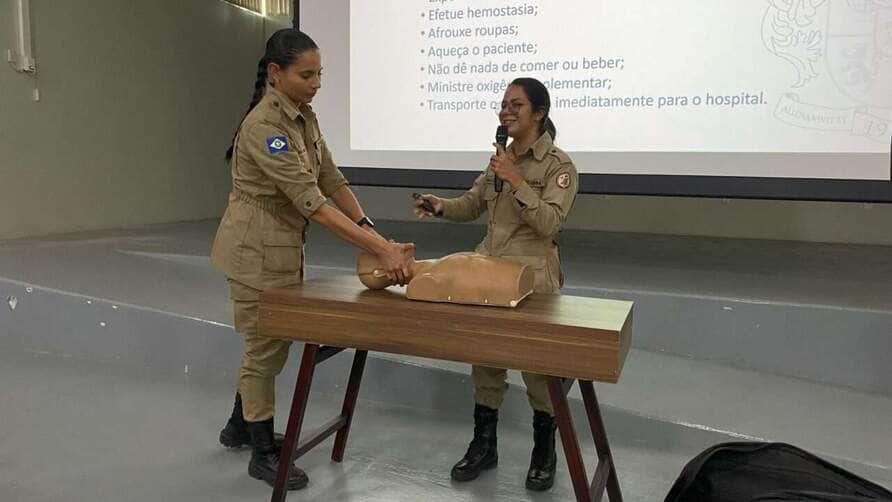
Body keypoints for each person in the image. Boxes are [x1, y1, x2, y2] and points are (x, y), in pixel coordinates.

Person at [210, 28, 413, 491]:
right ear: (276, 73)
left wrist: (369, 229)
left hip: (279, 248)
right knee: (264, 348)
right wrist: (379, 250)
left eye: (320, 73)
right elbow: (312, 201)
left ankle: (239, 426)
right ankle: (261, 450)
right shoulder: (265, 126)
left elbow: (331, 177)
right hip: (253, 250)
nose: (317, 82)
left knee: (273, 343)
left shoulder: (303, 117)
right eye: (307, 74)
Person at [413, 77, 579, 491]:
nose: (505, 110)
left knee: (539, 371)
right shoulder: (499, 161)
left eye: (516, 105)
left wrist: (518, 182)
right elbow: (472, 205)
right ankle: (484, 446)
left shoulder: (559, 166)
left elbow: (548, 224)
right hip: (488, 277)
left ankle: (545, 452)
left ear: (539, 113)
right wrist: (439, 206)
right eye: (503, 103)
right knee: (485, 362)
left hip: (533, 280)